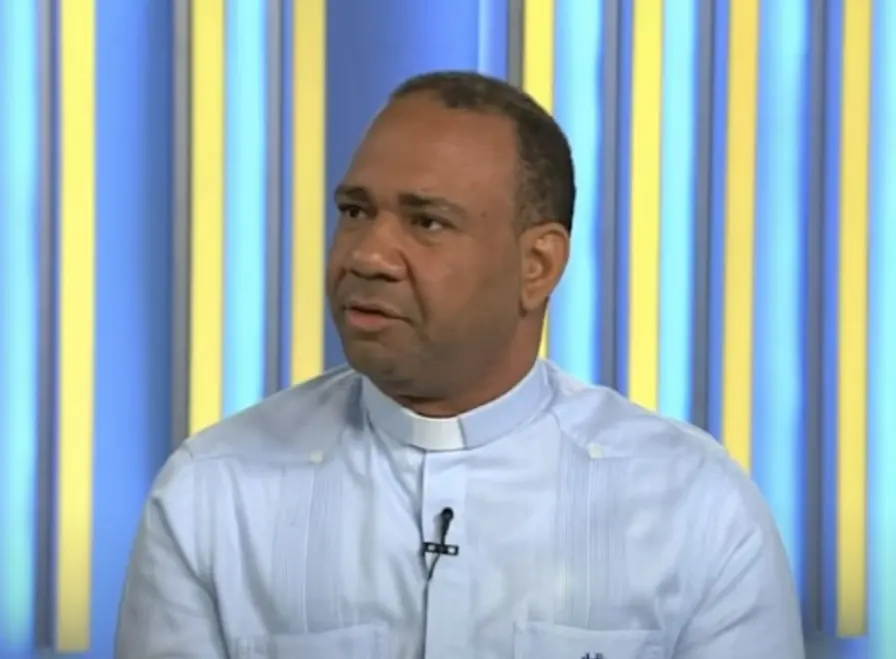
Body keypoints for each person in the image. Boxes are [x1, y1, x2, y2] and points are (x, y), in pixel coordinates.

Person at [115, 71, 803, 658]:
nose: (367, 255)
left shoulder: (695, 506)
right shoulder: (214, 493)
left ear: (537, 266)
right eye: (355, 211)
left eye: (427, 221)